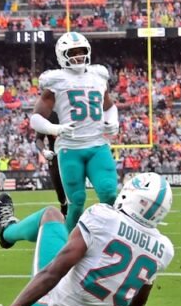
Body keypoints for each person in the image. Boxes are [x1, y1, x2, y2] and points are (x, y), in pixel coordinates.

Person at [0, 172, 174, 306]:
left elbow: (52, 273)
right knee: (80, 248)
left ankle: (6, 231)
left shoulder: (103, 216)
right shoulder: (164, 248)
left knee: (51, 215)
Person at [31, 32, 119, 232]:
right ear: (62, 55)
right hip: (70, 148)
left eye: (82, 52)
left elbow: (110, 106)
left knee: (109, 194)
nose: (78, 57)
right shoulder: (56, 80)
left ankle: (108, 238)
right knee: (76, 202)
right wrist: (56, 128)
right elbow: (35, 119)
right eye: (73, 52)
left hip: (98, 145)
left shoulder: (98, 75)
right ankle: (68, 245)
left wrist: (113, 121)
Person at [35, 120, 68, 215]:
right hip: (55, 157)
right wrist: (44, 151)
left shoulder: (71, 111)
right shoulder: (49, 115)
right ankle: (64, 208)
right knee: (60, 193)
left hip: (73, 155)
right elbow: (38, 139)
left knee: (75, 193)